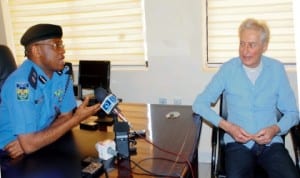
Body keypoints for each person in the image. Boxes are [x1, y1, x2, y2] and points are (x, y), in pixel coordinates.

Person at [193, 18, 300, 178]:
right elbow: (199, 104)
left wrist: (275, 129)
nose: (244, 50)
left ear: (264, 47)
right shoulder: (228, 69)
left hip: (271, 145)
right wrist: (228, 127)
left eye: (251, 45)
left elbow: (293, 113)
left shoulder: (276, 70)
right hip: (238, 145)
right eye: (242, 43)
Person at [0, 24, 100, 159]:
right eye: (56, 45)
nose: (62, 51)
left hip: (40, 143)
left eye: (62, 45)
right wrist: (76, 120)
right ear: (36, 51)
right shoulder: (21, 84)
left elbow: (66, 116)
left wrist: (33, 140)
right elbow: (29, 146)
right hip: (9, 155)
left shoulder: (62, 76)